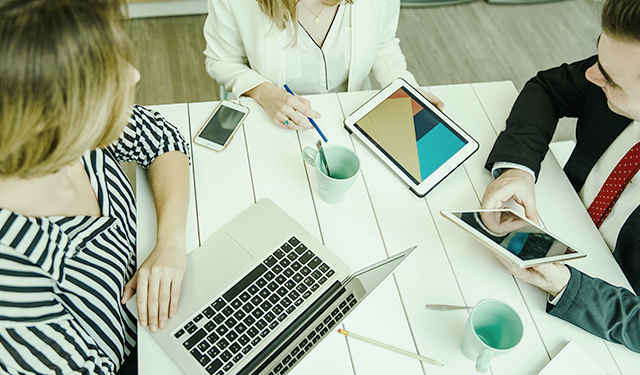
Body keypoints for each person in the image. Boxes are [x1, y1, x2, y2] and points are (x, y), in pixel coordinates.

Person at [0, 0, 190, 373]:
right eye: (111, 73)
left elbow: (162, 137)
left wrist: (170, 242)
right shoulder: (14, 287)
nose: (134, 75)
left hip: (171, 296)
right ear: (62, 115)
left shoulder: (80, 140)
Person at [482, 0, 640, 352]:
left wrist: (565, 284)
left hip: (595, 326)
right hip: (557, 216)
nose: (591, 76)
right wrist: (517, 169)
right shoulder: (618, 64)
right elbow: (547, 88)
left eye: (611, 81)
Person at [203, 0, 443, 131]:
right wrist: (264, 92)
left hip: (349, 111)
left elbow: (383, 43)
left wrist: (405, 87)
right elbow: (221, 59)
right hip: (274, 118)